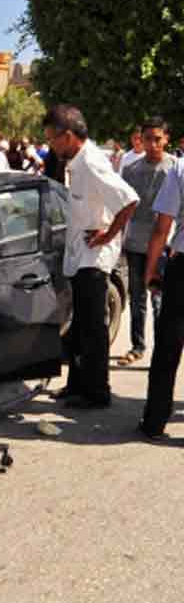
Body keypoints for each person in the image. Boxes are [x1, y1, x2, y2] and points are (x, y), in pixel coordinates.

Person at [46, 104, 138, 409]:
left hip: (94, 260)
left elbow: (129, 201)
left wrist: (108, 236)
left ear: (69, 136)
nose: (51, 145)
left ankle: (97, 392)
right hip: (77, 256)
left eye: (53, 139)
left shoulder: (93, 163)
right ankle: (76, 385)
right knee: (77, 328)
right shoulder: (76, 162)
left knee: (93, 330)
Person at [118, 118, 174, 367]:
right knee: (137, 297)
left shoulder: (175, 170)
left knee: (159, 298)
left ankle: (164, 348)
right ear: (141, 139)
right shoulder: (131, 170)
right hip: (135, 244)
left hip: (165, 245)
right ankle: (137, 346)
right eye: (148, 138)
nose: (153, 144)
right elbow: (124, 208)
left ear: (166, 140)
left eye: (158, 139)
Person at [137, 148, 184, 438]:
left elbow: (161, 227)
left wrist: (150, 270)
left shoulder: (180, 169)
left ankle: (155, 421)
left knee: (168, 345)